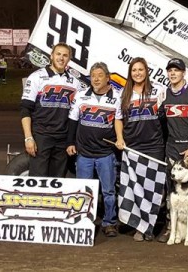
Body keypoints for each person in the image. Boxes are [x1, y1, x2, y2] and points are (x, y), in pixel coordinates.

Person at [156, 58, 188, 247]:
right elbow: (157, 119)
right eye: (170, 70)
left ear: (183, 73)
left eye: (176, 70)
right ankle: (171, 226)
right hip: (172, 148)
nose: (173, 73)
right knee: (171, 189)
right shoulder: (163, 94)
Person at [67, 62, 121, 238]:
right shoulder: (81, 96)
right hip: (84, 154)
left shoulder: (117, 97)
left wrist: (119, 139)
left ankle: (109, 222)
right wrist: (70, 143)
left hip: (106, 153)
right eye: (93, 75)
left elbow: (119, 122)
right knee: (83, 190)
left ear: (107, 78)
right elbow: (73, 121)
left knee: (109, 191)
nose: (96, 78)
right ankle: (82, 221)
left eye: (100, 75)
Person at [115, 57, 166, 242]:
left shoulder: (158, 90)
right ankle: (139, 226)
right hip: (133, 147)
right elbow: (118, 119)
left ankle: (149, 226)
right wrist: (120, 139)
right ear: (130, 73)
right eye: (134, 70)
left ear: (147, 71)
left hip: (154, 146)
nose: (137, 73)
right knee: (136, 187)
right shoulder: (123, 94)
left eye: (141, 70)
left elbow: (167, 116)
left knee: (152, 189)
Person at [20, 43, 80, 177]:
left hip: (62, 138)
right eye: (58, 54)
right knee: (38, 179)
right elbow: (25, 109)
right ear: (51, 56)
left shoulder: (74, 83)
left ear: (69, 59)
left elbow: (76, 114)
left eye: (65, 55)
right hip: (41, 136)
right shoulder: (36, 77)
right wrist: (28, 137)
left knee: (57, 181)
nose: (61, 58)